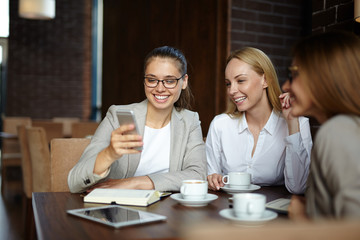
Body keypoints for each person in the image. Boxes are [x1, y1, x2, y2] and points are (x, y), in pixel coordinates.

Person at [68, 46, 206, 193]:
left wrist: (137, 183)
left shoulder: (189, 121)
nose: (160, 88)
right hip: (117, 209)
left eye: (170, 81)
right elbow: (74, 182)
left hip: (167, 211)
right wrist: (109, 154)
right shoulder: (117, 115)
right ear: (144, 80)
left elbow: (198, 175)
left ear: (184, 82)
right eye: (152, 79)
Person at [206, 47, 312, 194]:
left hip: (276, 212)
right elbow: (211, 178)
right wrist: (212, 179)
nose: (231, 91)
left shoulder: (299, 123)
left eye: (241, 80)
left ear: (265, 80)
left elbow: (299, 187)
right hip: (228, 208)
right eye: (228, 83)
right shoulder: (220, 125)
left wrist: (292, 123)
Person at [285, 31, 360, 220]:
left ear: (323, 77)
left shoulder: (337, 131)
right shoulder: (345, 128)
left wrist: (302, 220)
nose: (286, 86)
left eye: (294, 74)